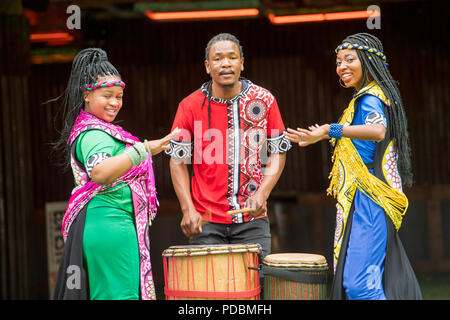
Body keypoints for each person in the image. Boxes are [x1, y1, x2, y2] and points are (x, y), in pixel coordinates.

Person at [285, 33, 422, 300]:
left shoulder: (370, 97)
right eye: (338, 62)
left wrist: (330, 129)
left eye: (350, 59)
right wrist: (322, 134)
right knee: (367, 282)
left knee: (359, 285)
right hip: (362, 198)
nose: (341, 67)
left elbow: (377, 131)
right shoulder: (366, 97)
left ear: (369, 61)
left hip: (371, 197)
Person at [52, 48, 179, 300]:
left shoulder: (96, 130)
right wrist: (144, 150)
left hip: (107, 224)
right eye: (107, 95)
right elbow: (99, 172)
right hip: (110, 224)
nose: (114, 103)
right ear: (87, 94)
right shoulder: (94, 134)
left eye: (119, 96)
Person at [166, 33, 291, 261]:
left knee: (256, 291)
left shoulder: (264, 100)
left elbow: (278, 152)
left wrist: (263, 193)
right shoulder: (189, 106)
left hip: (253, 220)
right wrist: (187, 209)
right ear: (207, 66)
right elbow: (177, 162)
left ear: (242, 63)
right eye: (218, 59)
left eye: (232, 58)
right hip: (206, 221)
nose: (225, 63)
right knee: (210, 293)